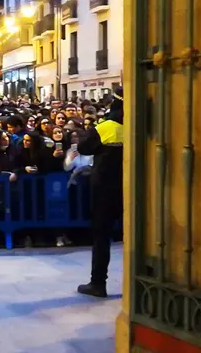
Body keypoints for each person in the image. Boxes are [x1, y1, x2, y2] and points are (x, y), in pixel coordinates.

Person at [76, 88, 124, 298]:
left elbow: (84, 147)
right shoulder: (139, 124)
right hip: (133, 187)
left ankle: (98, 282)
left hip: (105, 187)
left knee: (102, 235)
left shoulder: (106, 127)